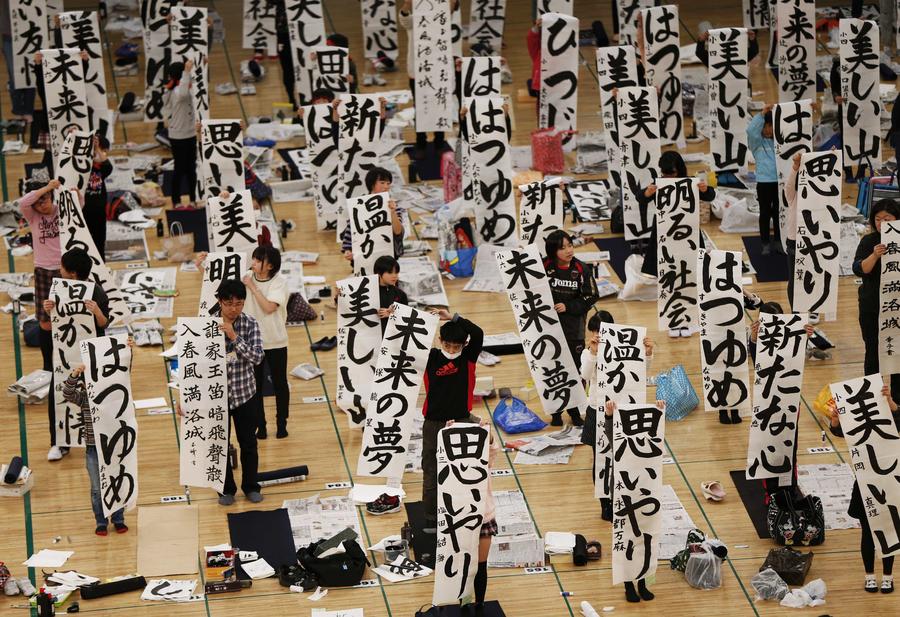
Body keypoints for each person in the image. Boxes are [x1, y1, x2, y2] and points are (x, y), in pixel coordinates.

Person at [580, 311, 654, 521]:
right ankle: (605, 503)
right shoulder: (587, 352)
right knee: (600, 459)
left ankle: (622, 498)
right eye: (594, 330)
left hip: (623, 408)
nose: (598, 334)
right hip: (598, 410)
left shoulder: (626, 349)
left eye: (602, 330)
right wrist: (594, 353)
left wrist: (647, 353)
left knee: (624, 456)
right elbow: (585, 376)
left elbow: (641, 373)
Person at [636, 151, 716, 337]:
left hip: (689, 238)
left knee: (690, 278)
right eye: (665, 173)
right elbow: (641, 197)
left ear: (679, 169)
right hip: (665, 237)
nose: (668, 177)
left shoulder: (690, 182)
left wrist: (704, 189)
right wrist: (647, 192)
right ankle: (672, 321)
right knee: (668, 279)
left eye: (671, 173)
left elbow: (710, 196)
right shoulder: (658, 183)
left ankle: (689, 320)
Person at [43, 248, 110, 460]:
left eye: (62, 267)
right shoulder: (59, 289)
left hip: (92, 354)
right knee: (60, 393)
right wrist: (48, 308)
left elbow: (104, 323)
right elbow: (55, 317)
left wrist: (97, 311)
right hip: (65, 354)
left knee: (95, 396)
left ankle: (101, 438)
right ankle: (59, 443)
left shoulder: (96, 292)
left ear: (72, 273)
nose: (59, 270)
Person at [828, 386, 897, 593]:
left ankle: (887, 576)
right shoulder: (858, 422)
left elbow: (898, 420)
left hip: (889, 480)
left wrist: (891, 403)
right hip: (865, 481)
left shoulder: (888, 420)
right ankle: (869, 575)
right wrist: (835, 418)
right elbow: (839, 431)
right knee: (867, 531)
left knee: (888, 529)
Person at [421, 310, 484, 534]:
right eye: (447, 346)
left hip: (462, 421)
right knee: (431, 470)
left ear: (463, 345)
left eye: (456, 347)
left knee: (463, 471)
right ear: (440, 342)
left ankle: (461, 513)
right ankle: (430, 517)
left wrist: (454, 317)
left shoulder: (468, 358)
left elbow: (478, 333)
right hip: (433, 423)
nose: (451, 351)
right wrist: (394, 317)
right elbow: (403, 343)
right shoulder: (430, 357)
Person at [61, 341, 133, 536]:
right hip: (94, 448)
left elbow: (124, 376)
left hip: (114, 445)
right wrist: (75, 374)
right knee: (96, 488)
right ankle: (100, 521)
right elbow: (67, 393)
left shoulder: (114, 395)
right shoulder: (84, 397)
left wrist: (127, 351)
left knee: (116, 481)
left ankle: (118, 519)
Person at [748, 301, 815, 496]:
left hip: (789, 399)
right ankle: (771, 491)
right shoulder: (757, 336)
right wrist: (753, 337)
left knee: (789, 444)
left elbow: (798, 359)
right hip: (767, 400)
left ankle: (790, 485)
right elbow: (755, 357)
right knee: (767, 445)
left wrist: (805, 336)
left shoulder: (792, 333)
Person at [17, 178, 63, 460]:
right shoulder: (32, 213)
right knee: (45, 322)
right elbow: (21, 203)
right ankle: (48, 367)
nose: (43, 206)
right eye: (40, 201)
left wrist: (58, 191)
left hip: (64, 270)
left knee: (66, 321)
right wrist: (46, 188)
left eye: (46, 201)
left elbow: (78, 202)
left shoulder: (61, 209)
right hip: (43, 270)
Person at [604, 399, 664, 603]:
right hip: (624, 496)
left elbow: (658, 434)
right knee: (627, 538)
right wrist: (610, 416)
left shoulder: (649, 443)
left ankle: (642, 582)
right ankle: (628, 584)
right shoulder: (621, 441)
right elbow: (611, 434)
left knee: (646, 537)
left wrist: (659, 411)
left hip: (647, 495)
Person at [215, 279, 265, 505]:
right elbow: (191, 364)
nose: (234, 308)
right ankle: (225, 489)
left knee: (249, 444)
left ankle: (251, 486)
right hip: (216, 397)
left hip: (245, 393)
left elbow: (257, 357)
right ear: (219, 302)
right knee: (220, 444)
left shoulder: (250, 324)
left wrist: (234, 337)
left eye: (239, 303)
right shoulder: (205, 326)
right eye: (228, 304)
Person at [542, 230, 600, 426]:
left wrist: (569, 307)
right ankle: (555, 412)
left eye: (570, 245)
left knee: (575, 371)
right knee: (552, 369)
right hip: (547, 330)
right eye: (562, 247)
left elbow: (591, 295)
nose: (568, 250)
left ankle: (575, 411)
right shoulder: (543, 266)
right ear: (552, 251)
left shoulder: (581, 269)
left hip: (573, 329)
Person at [446, 417, 499, 615]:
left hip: (484, 517)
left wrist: (488, 435)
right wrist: (448, 431)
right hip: (460, 517)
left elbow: (493, 451)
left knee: (481, 566)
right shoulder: (453, 462)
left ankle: (480, 604)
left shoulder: (483, 459)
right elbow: (442, 457)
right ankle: (464, 603)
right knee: (464, 564)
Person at [853, 199, 900, 402]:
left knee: (898, 354)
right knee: (872, 353)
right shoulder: (869, 241)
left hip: (896, 308)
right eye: (878, 219)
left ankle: (896, 402)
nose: (881, 223)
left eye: (887, 219)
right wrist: (875, 255)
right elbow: (859, 269)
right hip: (872, 307)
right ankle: (873, 399)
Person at [242, 244, 291, 440]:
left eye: (257, 260)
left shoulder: (279, 281)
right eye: (253, 259)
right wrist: (202, 266)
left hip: (276, 340)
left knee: (280, 384)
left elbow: (269, 307)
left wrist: (252, 287)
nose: (253, 263)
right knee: (255, 387)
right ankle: (260, 425)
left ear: (269, 266)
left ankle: (281, 423)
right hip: (252, 342)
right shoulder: (245, 276)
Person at [398, 0, 457, 157]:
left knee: (440, 105)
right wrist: (407, 6)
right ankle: (421, 142)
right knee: (421, 108)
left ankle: (439, 142)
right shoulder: (415, 19)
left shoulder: (441, 19)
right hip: (418, 72)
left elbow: (449, 10)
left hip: (439, 70)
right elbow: (404, 20)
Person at [340, 167, 405, 263]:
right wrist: (348, 250)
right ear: (371, 184)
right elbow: (351, 229)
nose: (386, 186)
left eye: (388, 183)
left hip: (388, 257)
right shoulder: (359, 205)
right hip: (363, 257)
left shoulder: (393, 205)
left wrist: (393, 212)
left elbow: (398, 232)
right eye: (382, 183)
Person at [162, 59, 197, 207]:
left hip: (191, 134)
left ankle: (193, 199)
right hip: (178, 136)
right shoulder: (175, 90)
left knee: (191, 169)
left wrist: (202, 65)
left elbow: (196, 83)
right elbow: (183, 93)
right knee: (180, 168)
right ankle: (176, 201)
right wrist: (187, 71)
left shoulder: (184, 87)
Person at [748, 105, 781, 255]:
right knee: (765, 213)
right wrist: (761, 114)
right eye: (765, 126)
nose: (768, 130)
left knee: (779, 213)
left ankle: (779, 241)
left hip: (780, 182)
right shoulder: (756, 143)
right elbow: (751, 131)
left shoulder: (780, 142)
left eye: (771, 126)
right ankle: (765, 243)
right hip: (764, 183)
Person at [83, 134, 112, 257]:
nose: (103, 154)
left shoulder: (102, 168)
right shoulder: (83, 166)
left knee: (99, 241)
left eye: (104, 152)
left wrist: (97, 150)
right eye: (103, 151)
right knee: (85, 242)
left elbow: (108, 165)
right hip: (83, 210)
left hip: (99, 210)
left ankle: (101, 267)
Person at [373, 255, 409, 333]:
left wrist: (392, 314)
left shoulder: (400, 294)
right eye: (390, 272)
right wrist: (339, 295)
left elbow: (407, 317)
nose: (394, 276)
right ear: (379, 273)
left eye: (396, 272)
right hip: (371, 338)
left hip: (391, 338)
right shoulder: (369, 292)